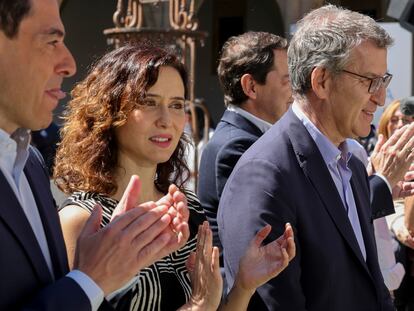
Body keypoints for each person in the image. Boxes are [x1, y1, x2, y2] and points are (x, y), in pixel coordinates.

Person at [54, 44, 295, 311]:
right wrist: (198, 305)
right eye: (149, 102)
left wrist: (243, 287)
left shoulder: (187, 209)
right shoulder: (82, 220)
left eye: (177, 105)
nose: (166, 119)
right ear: (110, 110)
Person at [218, 5, 414, 310]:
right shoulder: (265, 175)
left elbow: (372, 285)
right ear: (321, 81)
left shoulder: (352, 163)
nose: (379, 96)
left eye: (383, 80)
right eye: (369, 81)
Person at [0, 0, 191, 310]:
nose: (68, 63)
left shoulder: (29, 164)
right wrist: (92, 279)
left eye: (178, 104)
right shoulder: (80, 214)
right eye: (52, 41)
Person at [198, 32, 291, 255]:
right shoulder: (238, 145)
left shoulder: (249, 136)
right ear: (251, 86)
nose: (295, 92)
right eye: (287, 81)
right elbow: (266, 233)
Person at [377, 98, 414, 310]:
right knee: (396, 248)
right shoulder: (372, 151)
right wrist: (399, 226)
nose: (400, 125)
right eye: (395, 120)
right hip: (392, 228)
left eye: (407, 120)